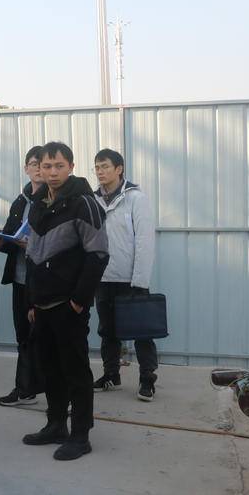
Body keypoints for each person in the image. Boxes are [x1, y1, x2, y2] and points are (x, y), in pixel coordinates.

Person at [21, 141, 109, 461]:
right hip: (42, 304)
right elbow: (32, 254)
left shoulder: (85, 203)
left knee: (76, 371)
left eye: (59, 166)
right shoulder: (38, 203)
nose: (53, 172)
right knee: (50, 369)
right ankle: (55, 424)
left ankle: (80, 435)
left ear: (71, 167)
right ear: (38, 169)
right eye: (47, 166)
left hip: (68, 304)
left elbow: (98, 254)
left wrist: (78, 301)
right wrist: (32, 301)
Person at [91, 148, 158, 401]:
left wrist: (140, 280)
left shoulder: (136, 199)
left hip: (131, 278)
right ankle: (111, 375)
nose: (100, 172)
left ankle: (147, 379)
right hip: (103, 277)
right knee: (107, 331)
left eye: (105, 166)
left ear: (119, 169)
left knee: (142, 331)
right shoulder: (93, 200)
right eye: (97, 167)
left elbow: (144, 241)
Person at [0, 145, 45, 406]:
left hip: (43, 281)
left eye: (43, 164)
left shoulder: (55, 200)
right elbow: (11, 233)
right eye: (33, 164)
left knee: (42, 338)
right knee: (23, 336)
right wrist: (1, 243)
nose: (38, 169)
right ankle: (25, 389)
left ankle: (44, 390)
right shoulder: (20, 201)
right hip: (20, 278)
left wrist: (31, 245)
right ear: (26, 168)